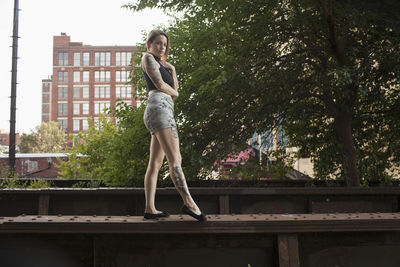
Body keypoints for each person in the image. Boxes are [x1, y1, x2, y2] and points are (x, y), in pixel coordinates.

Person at [141, 29, 206, 221]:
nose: (162, 47)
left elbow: (174, 90)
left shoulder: (163, 65)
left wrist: (173, 70)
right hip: (159, 108)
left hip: (164, 110)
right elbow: (162, 86)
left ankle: (149, 209)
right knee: (175, 159)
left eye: (165, 44)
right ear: (150, 44)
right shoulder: (147, 58)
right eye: (158, 43)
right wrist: (174, 94)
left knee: (156, 163)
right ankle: (189, 204)